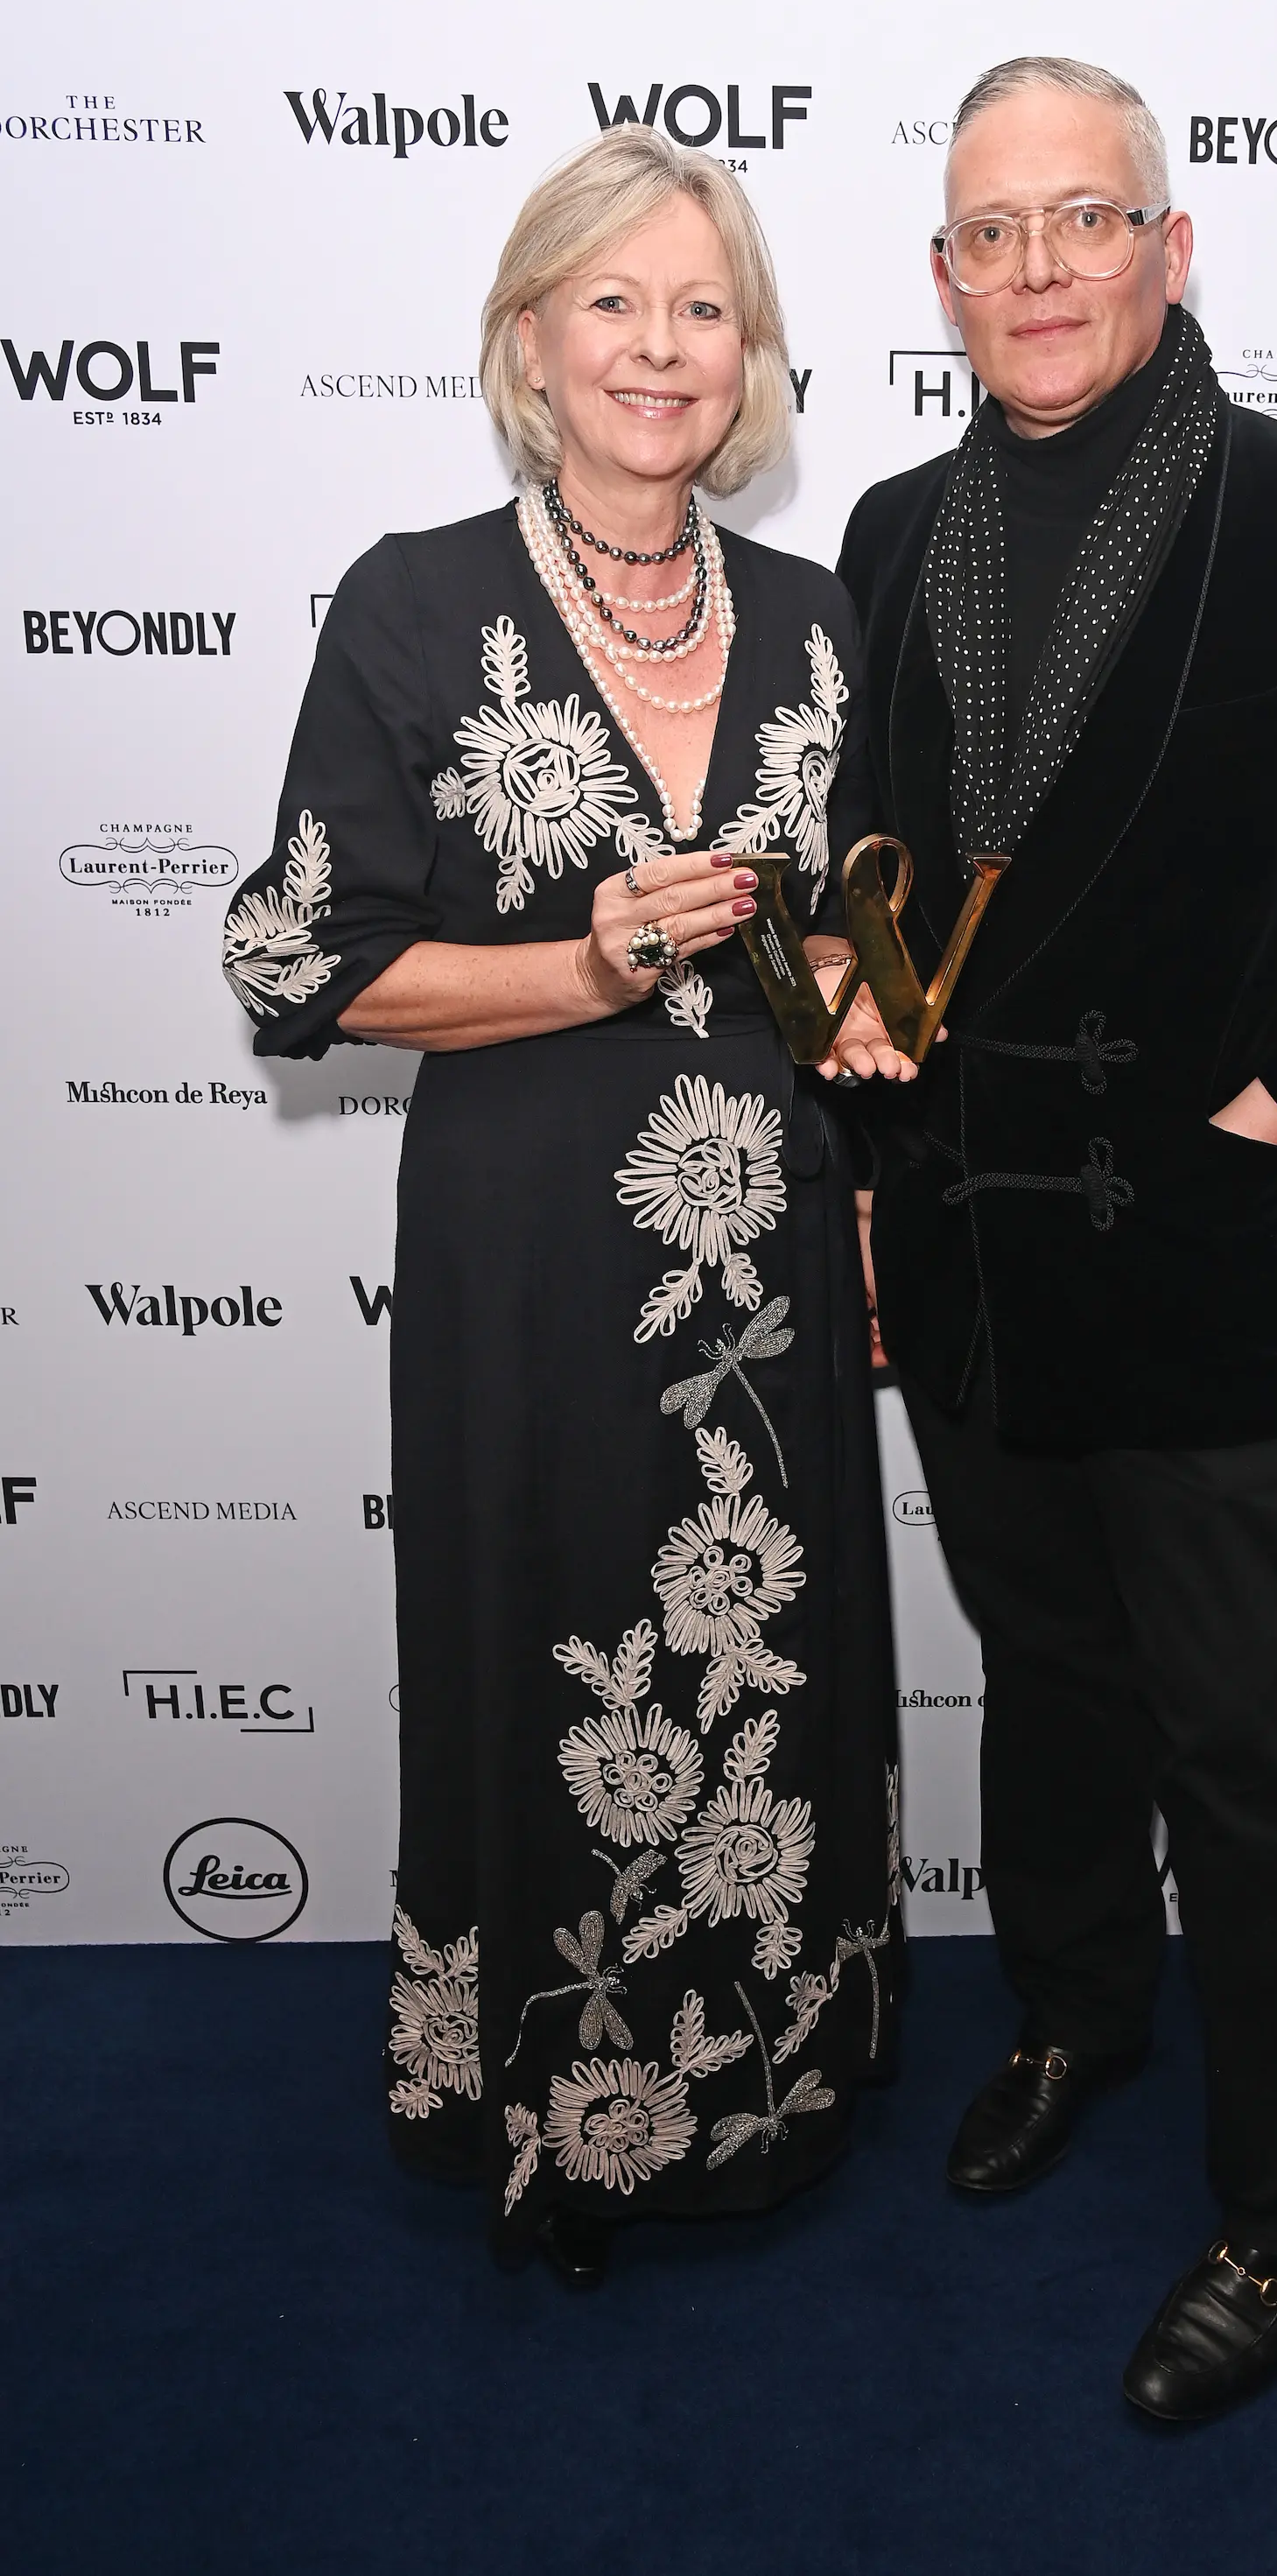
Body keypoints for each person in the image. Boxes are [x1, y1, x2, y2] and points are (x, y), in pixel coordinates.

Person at [837, 57, 1277, 2420]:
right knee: (1043, 1687)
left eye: (1080, 222)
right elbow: (886, 888)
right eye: (988, 235)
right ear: (942, 271)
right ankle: (1072, 2015)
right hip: (969, 1250)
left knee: (1244, 1752)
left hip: (1206, 1253)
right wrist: (865, 1131)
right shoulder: (887, 527)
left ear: (1173, 240)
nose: (1032, 272)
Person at [223, 129, 908, 2288]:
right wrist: (583, 964)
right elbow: (294, 961)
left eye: (701, 306)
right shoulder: (416, 599)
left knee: (766, 1659)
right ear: (531, 338)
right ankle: (564, 2099)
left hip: (771, 1257)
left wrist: (871, 1055)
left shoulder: (815, 625)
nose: (659, 346)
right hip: (528, 1258)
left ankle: (770, 2070)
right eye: (611, 300)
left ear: (752, 355)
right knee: (558, 1654)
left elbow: (841, 957)